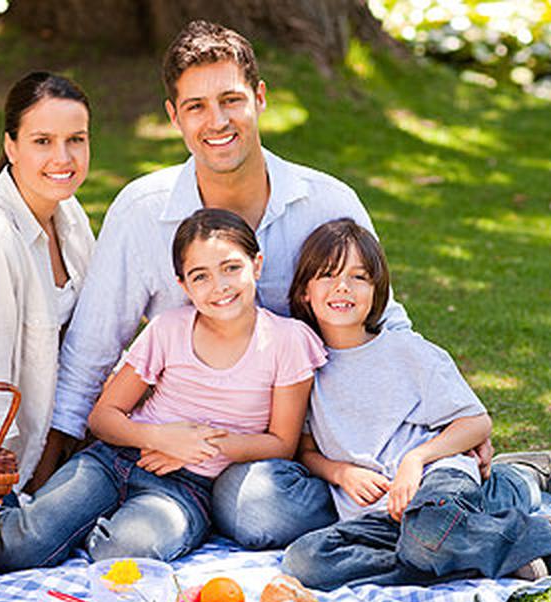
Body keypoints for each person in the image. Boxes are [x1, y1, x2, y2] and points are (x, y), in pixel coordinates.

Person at [33, 19, 417, 550]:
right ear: (173, 116)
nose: (217, 122)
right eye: (195, 106)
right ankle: (182, 513)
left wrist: (439, 436)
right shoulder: (142, 211)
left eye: (231, 100)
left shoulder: (328, 203)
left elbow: (387, 326)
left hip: (290, 452)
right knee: (232, 511)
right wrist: (42, 477)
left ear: (260, 98)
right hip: (171, 453)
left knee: (263, 509)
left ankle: (468, 489)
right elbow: (90, 354)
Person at [279, 220, 551, 590]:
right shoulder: (304, 366)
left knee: (429, 534)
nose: (342, 287)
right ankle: (492, 538)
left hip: (436, 481)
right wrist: (340, 473)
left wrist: (414, 460)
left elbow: (476, 423)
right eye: (327, 275)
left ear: (376, 290)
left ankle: (549, 537)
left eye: (358, 276)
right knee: (305, 562)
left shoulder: (407, 352)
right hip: (381, 515)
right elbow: (305, 448)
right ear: (305, 291)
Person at [0, 209, 327, 571]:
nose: (220, 286)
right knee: (19, 549)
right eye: (201, 276)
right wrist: (160, 438)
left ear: (256, 265)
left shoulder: (287, 341)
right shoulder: (169, 329)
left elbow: (282, 443)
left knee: (124, 552)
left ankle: (84, 527)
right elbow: (103, 417)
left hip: (185, 491)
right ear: (183, 285)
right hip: (115, 460)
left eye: (231, 268)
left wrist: (197, 448)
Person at [0, 71, 96, 493]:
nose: (63, 157)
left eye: (76, 139)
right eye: (43, 141)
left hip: (75, 435)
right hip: (17, 471)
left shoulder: (68, 212)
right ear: (11, 146)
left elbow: (96, 335)